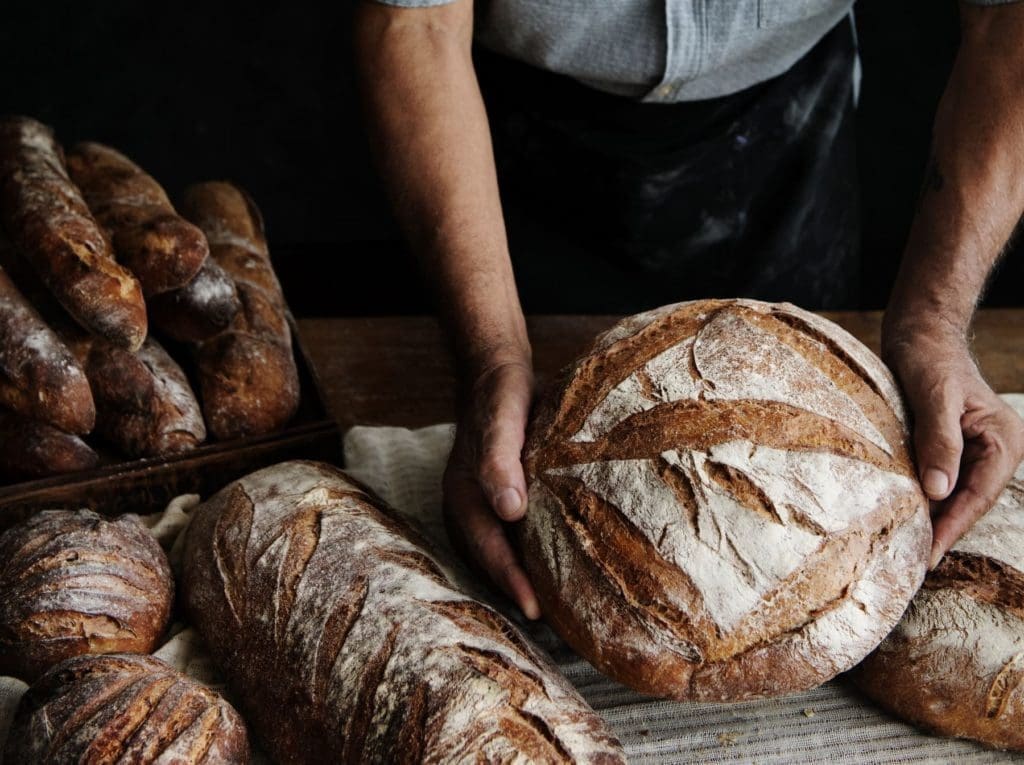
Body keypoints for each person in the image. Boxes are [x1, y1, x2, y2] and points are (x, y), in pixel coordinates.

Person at [353, 0, 1024, 620]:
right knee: (526, 460)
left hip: (784, 129)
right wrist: (491, 355)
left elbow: (1009, 26)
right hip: (494, 148)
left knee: (804, 498)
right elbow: (419, 23)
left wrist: (933, 323)